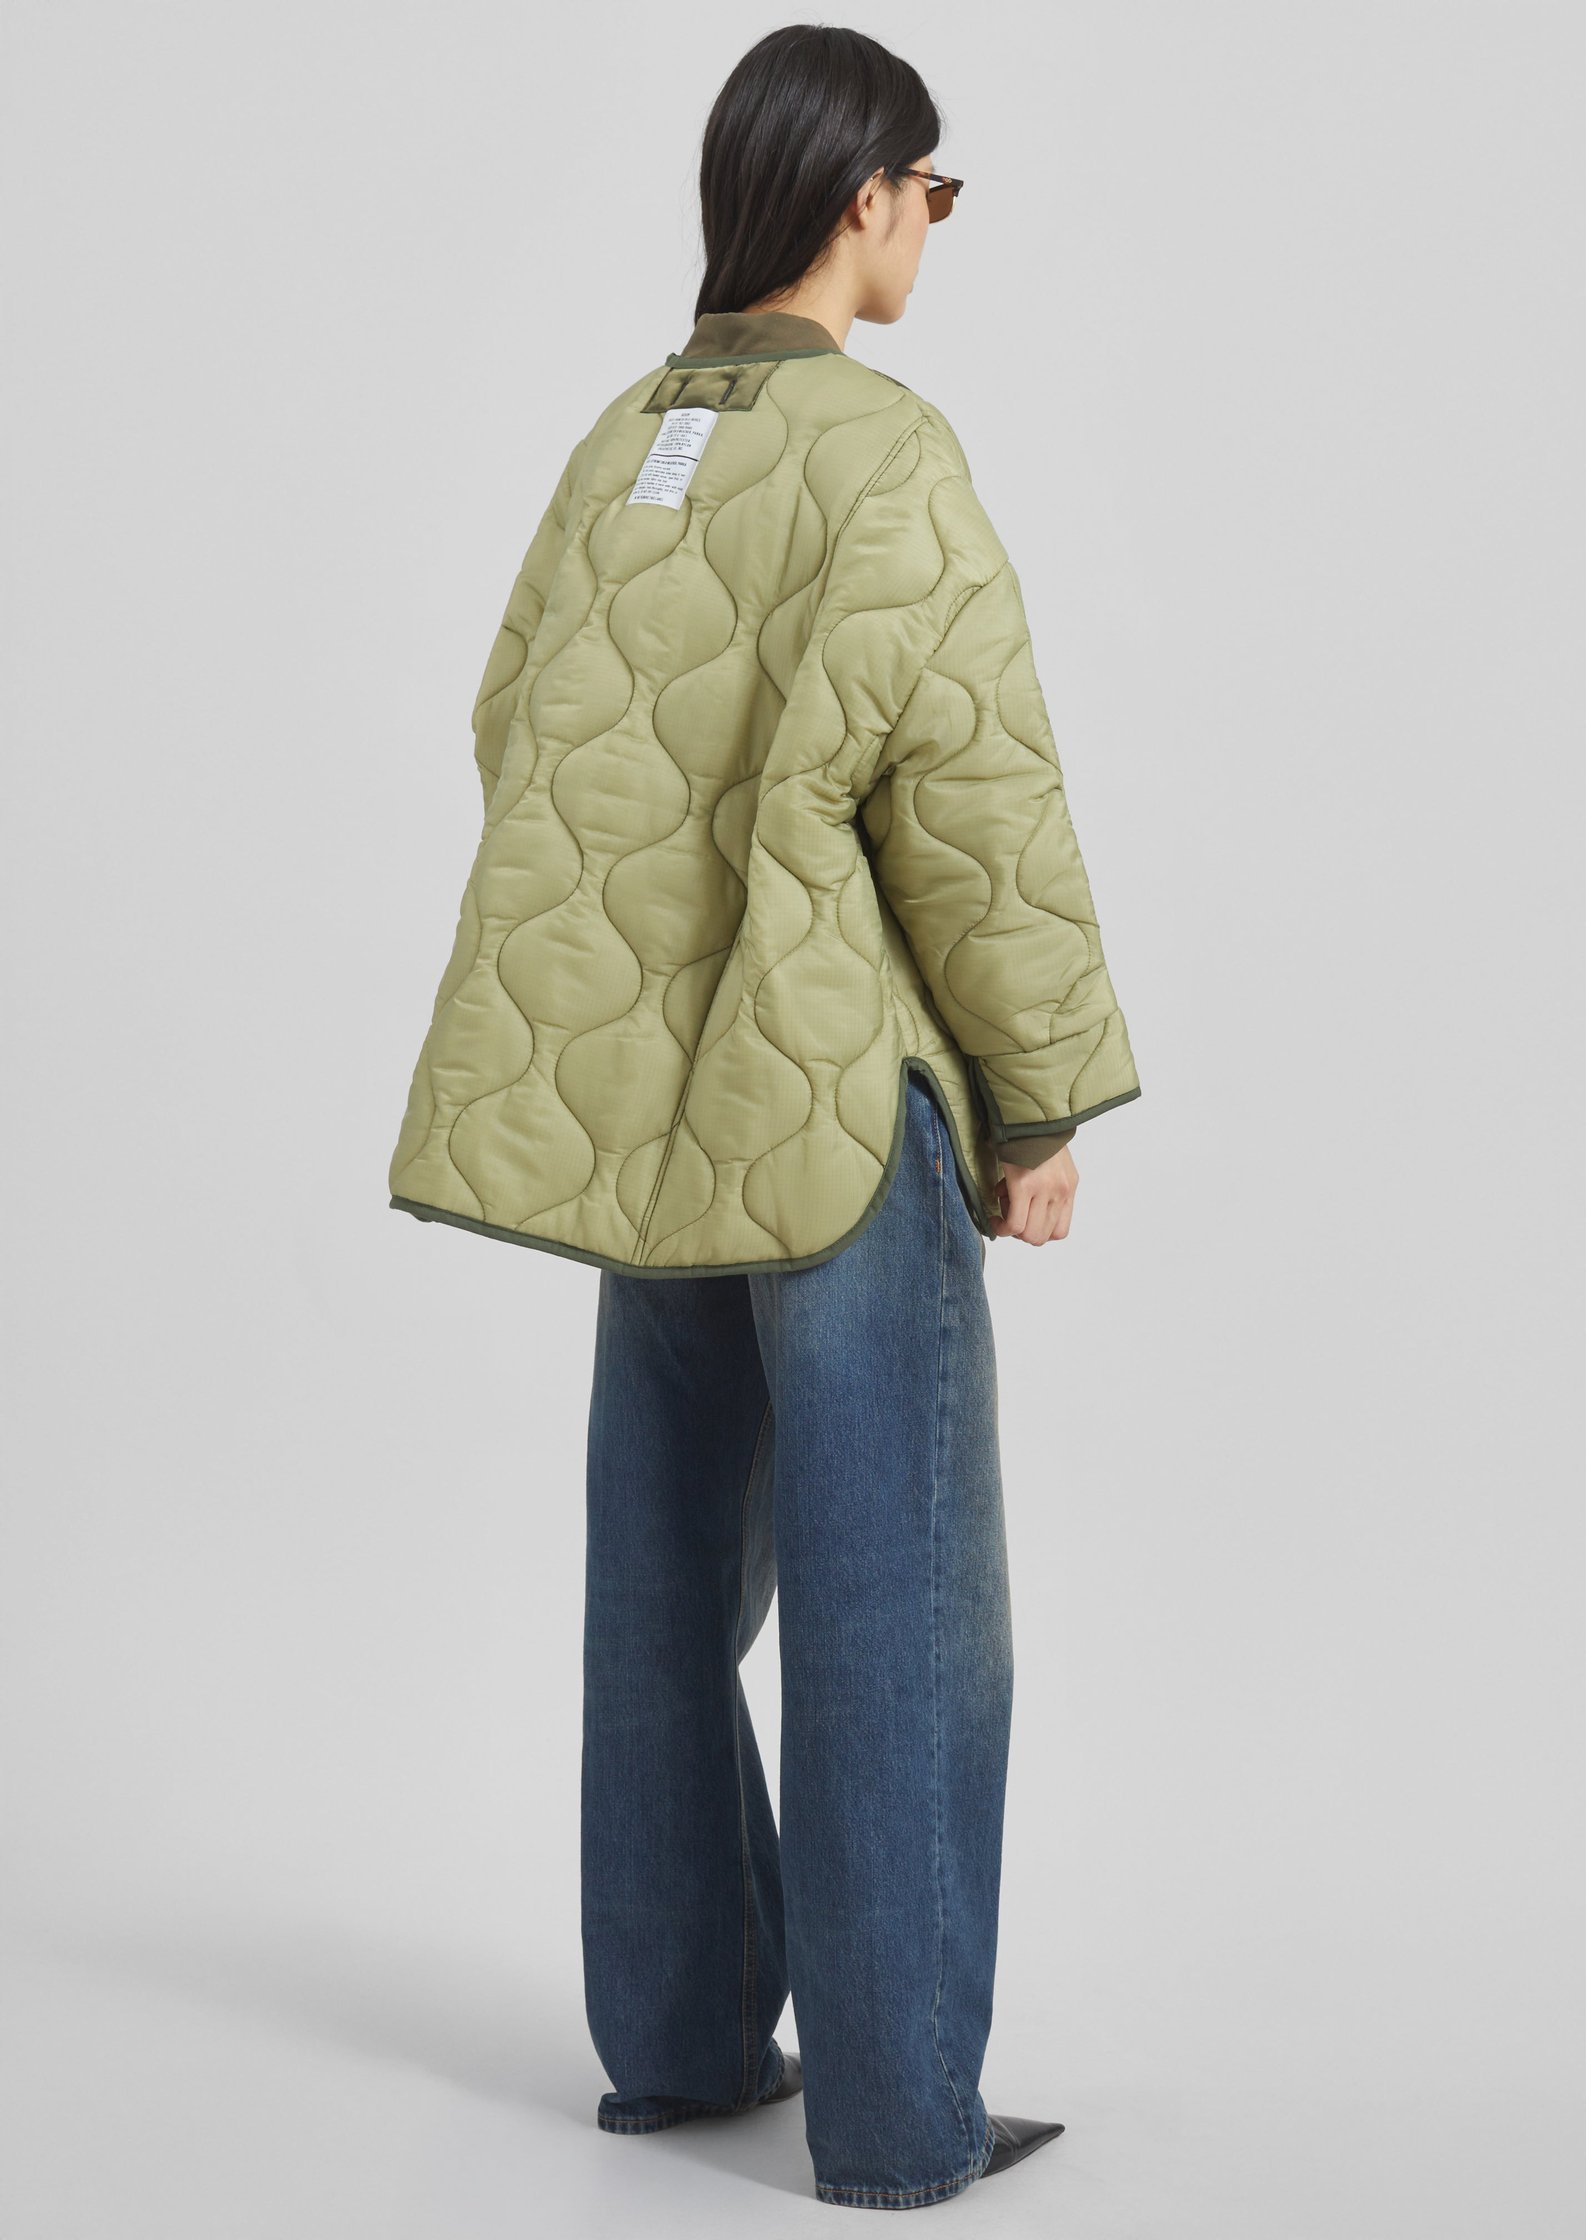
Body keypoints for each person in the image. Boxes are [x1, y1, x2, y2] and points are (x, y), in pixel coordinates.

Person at [387, 22, 1140, 2213]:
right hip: (830, 1115)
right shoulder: (882, 451)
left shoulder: (624, 437)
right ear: (859, 194)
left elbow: (517, 728)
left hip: (650, 1111)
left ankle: (688, 2042)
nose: (932, 230)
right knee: (899, 1608)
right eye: (930, 193)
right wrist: (1031, 1098)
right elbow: (971, 801)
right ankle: (897, 2122)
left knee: (659, 1573)